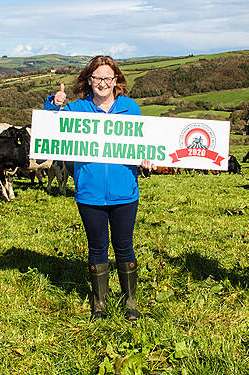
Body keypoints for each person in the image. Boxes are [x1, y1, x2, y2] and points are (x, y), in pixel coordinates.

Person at [43, 55, 155, 321]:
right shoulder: (77, 110)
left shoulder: (131, 108)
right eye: (97, 78)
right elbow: (49, 129)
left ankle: (130, 302)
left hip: (124, 192)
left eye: (108, 78)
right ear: (88, 80)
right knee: (97, 248)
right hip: (89, 193)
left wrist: (146, 162)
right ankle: (99, 304)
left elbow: (142, 144)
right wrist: (53, 104)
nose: (102, 83)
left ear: (116, 81)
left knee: (124, 246)